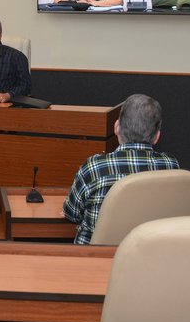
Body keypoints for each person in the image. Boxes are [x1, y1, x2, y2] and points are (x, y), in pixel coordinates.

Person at [63, 94, 180, 245]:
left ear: (116, 127)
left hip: (95, 259)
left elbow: (71, 214)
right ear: (157, 136)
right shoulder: (171, 166)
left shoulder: (94, 167)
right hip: (148, 259)